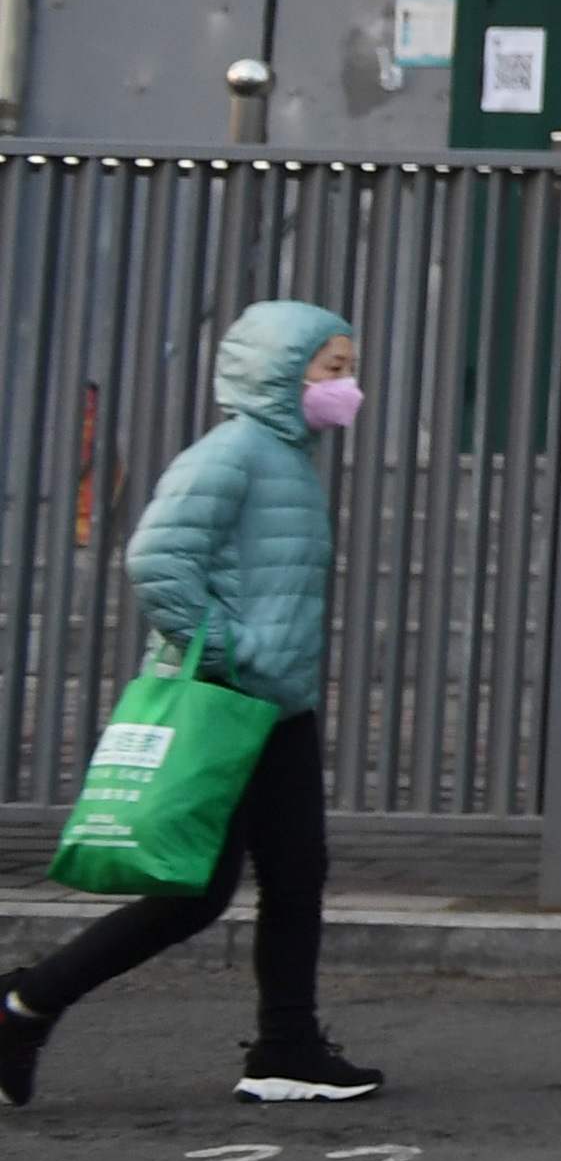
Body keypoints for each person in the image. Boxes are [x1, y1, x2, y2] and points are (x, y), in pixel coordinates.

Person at [1, 299, 384, 1110]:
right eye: (334, 368)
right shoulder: (237, 451)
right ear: (283, 372)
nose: (346, 386)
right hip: (232, 697)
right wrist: (233, 651)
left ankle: (286, 1046)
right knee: (198, 892)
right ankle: (25, 1004)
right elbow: (156, 557)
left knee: (292, 876)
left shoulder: (286, 453)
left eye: (347, 368)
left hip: (274, 701)